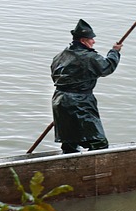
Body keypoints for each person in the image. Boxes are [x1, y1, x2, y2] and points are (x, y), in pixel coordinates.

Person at [51, 19, 123, 154]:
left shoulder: (60, 56)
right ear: (83, 41)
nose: (93, 42)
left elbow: (56, 76)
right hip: (80, 102)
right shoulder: (89, 57)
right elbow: (106, 67)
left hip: (59, 101)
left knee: (69, 142)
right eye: (91, 39)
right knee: (98, 142)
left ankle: (69, 167)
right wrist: (114, 51)